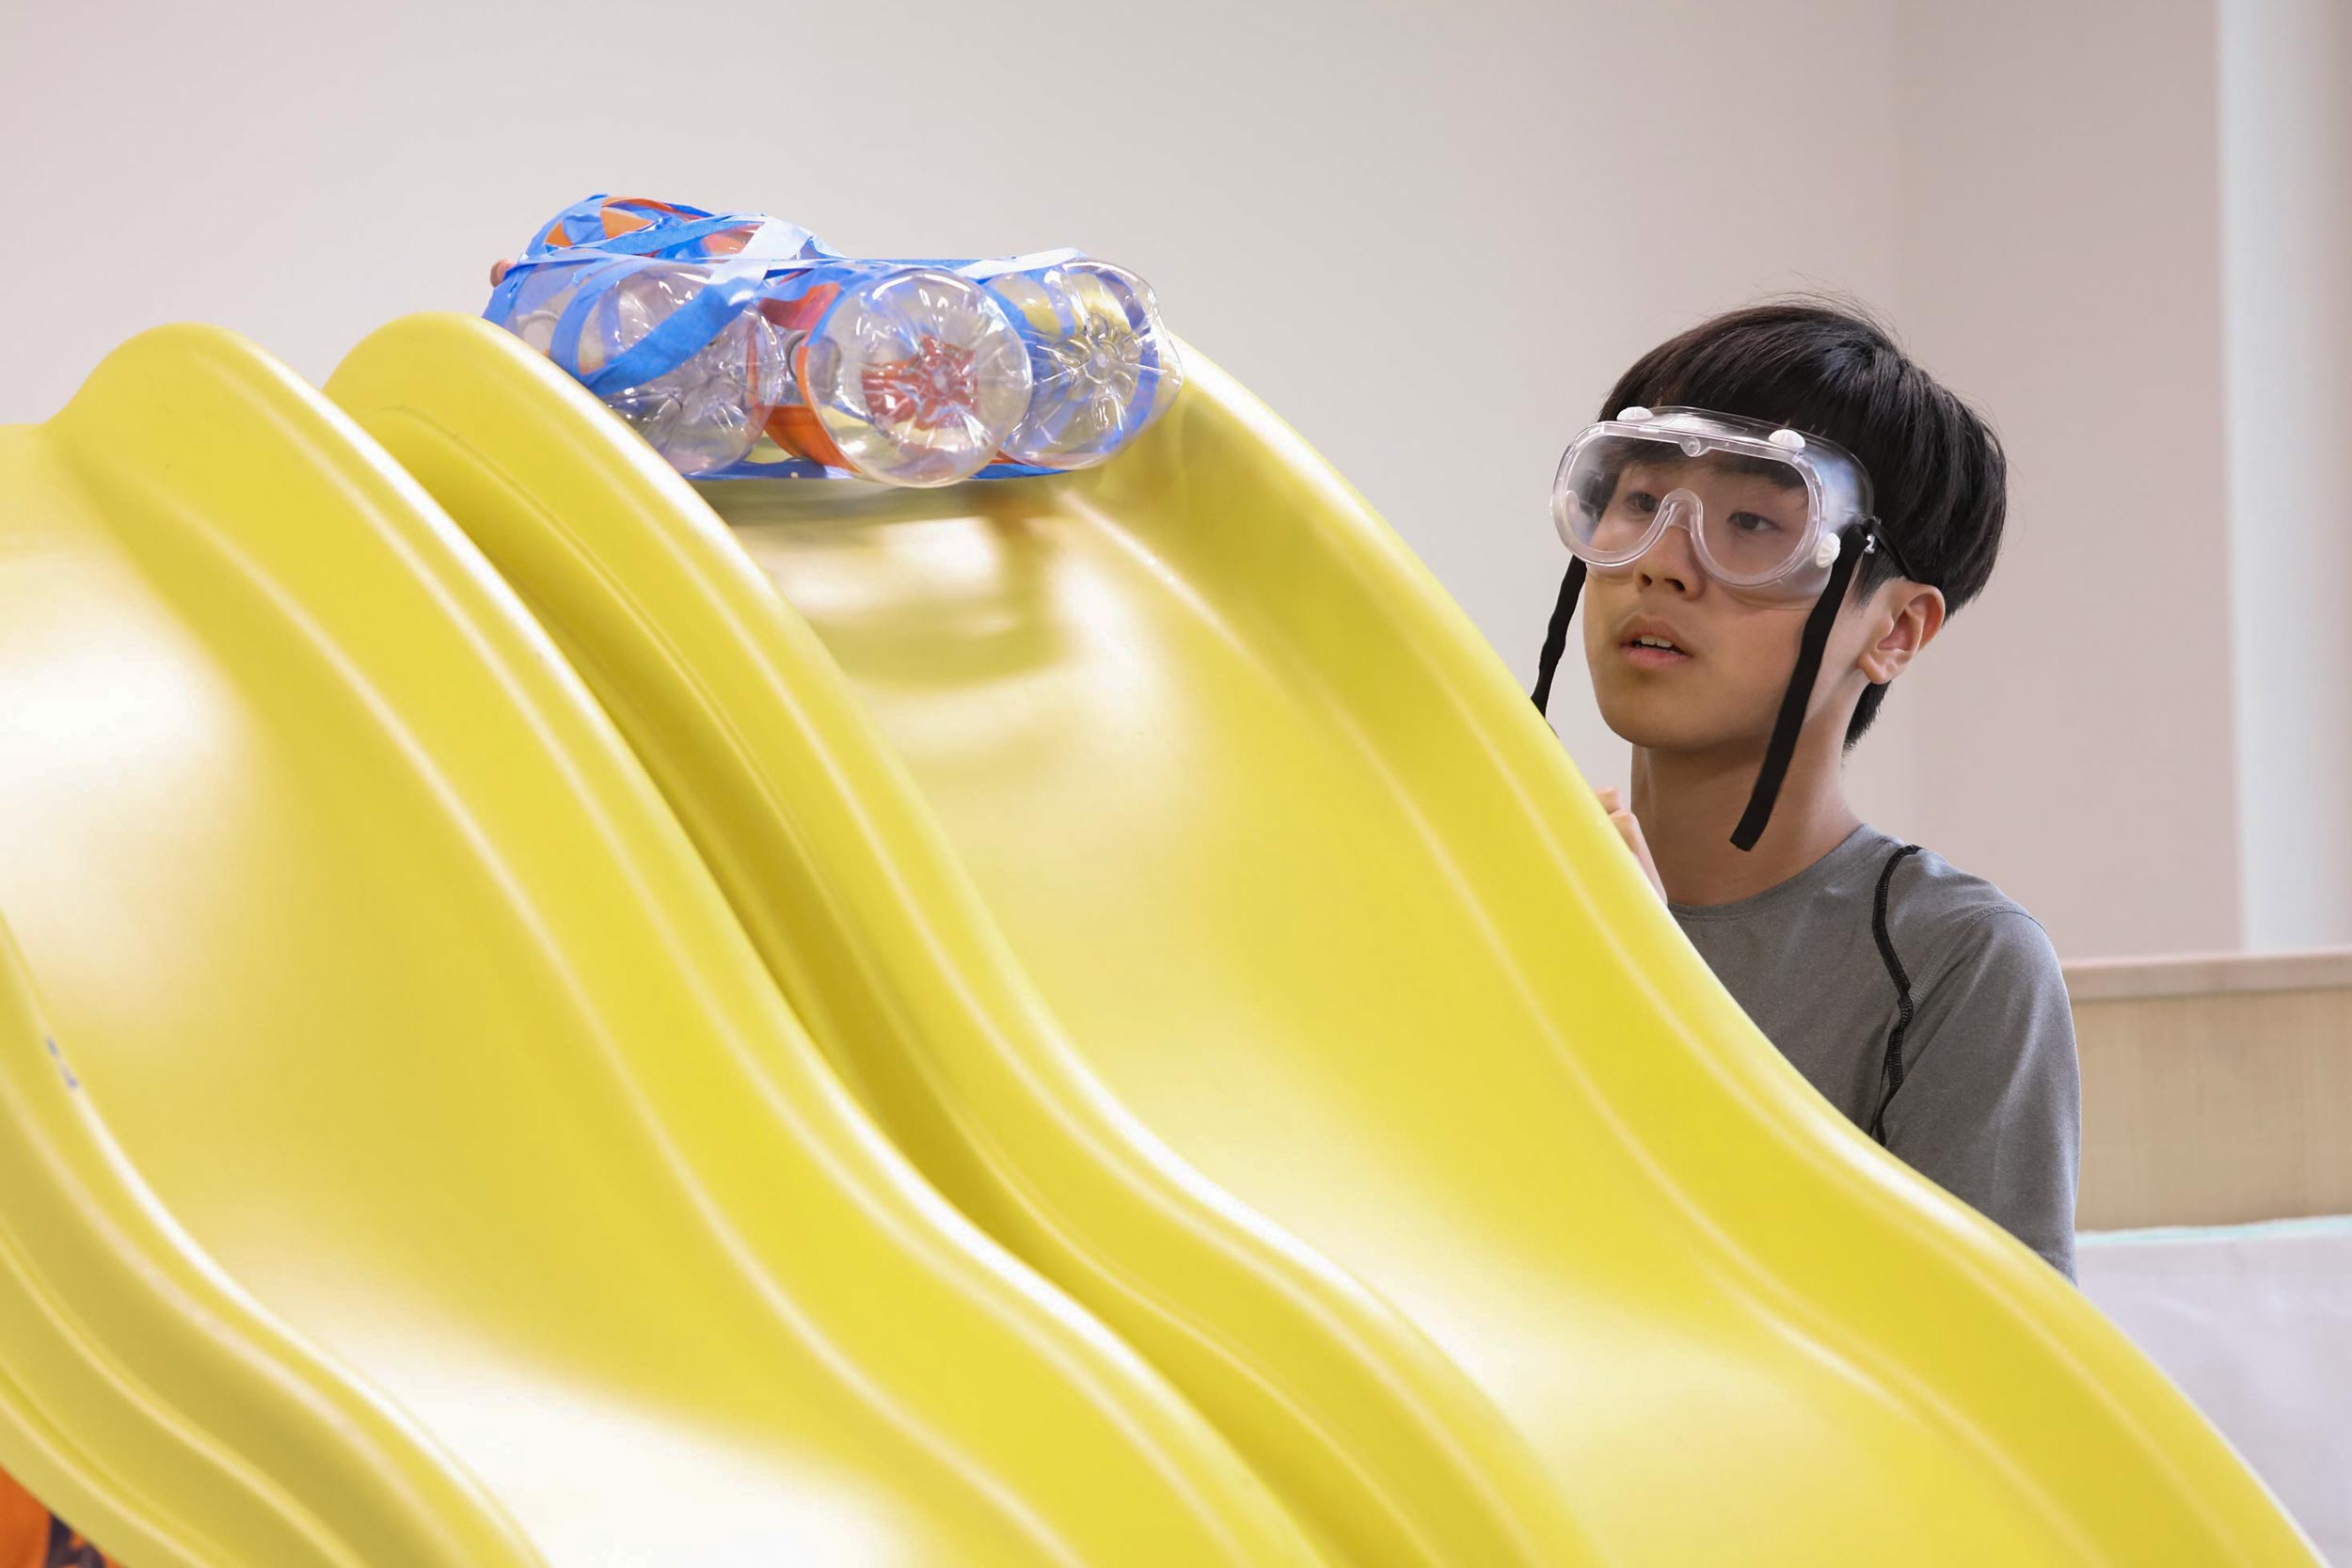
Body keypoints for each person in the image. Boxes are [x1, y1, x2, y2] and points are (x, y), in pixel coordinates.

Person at [1532, 300, 2079, 1278]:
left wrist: (1653, 998)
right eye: (1636, 499)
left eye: (1752, 523)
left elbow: (1988, 1388)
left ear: (1895, 629)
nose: (1662, 562)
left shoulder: (1953, 961)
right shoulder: (1489, 885)